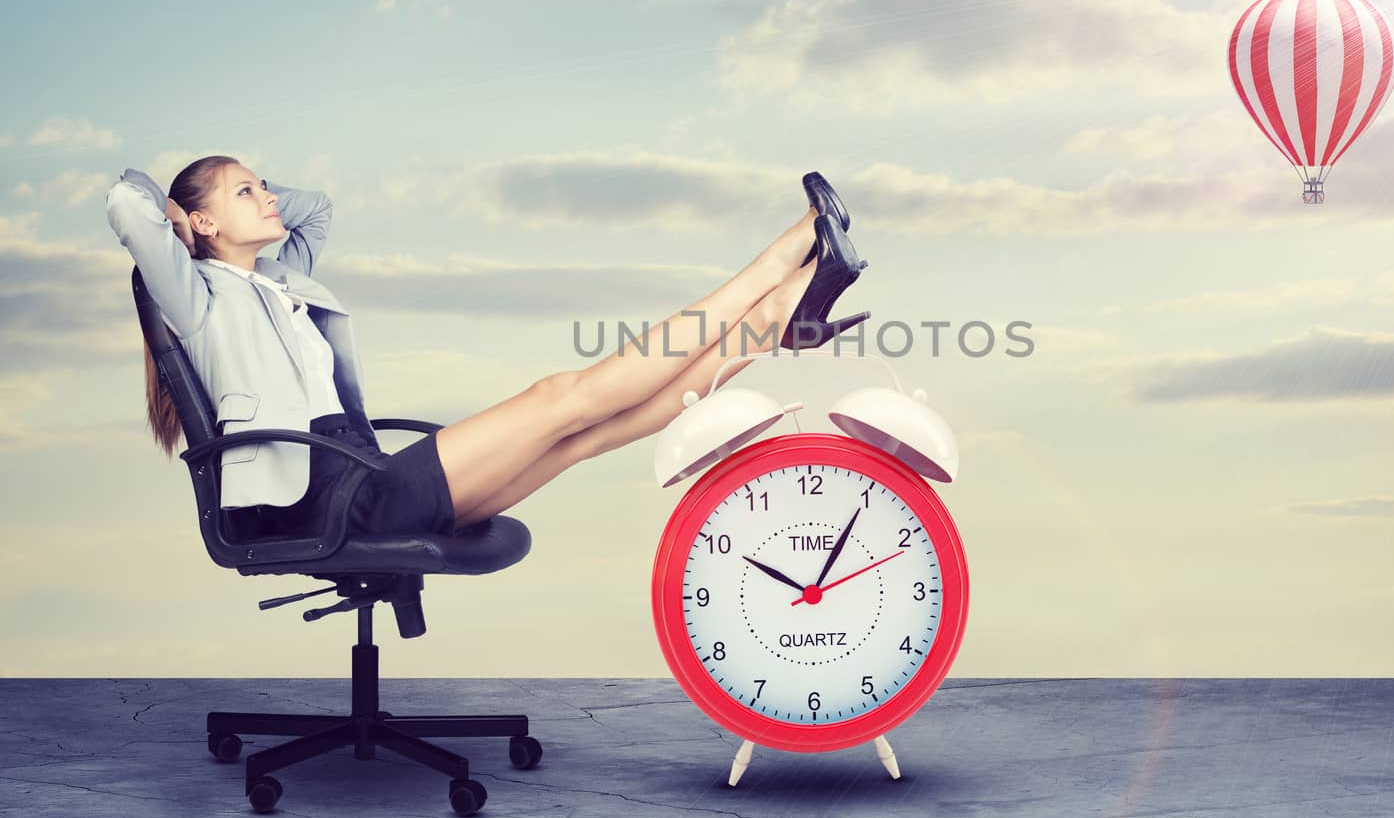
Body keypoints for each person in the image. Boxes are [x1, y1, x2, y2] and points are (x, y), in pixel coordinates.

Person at [106, 157, 868, 538]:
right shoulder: (197, 298)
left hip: (353, 470)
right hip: (325, 497)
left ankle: (777, 315)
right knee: (559, 399)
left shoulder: (280, 279)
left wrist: (245, 192)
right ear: (198, 225)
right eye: (245, 192)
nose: (268, 195)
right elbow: (124, 202)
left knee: (580, 435)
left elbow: (317, 209)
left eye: (261, 182)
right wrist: (177, 217)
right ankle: (784, 257)